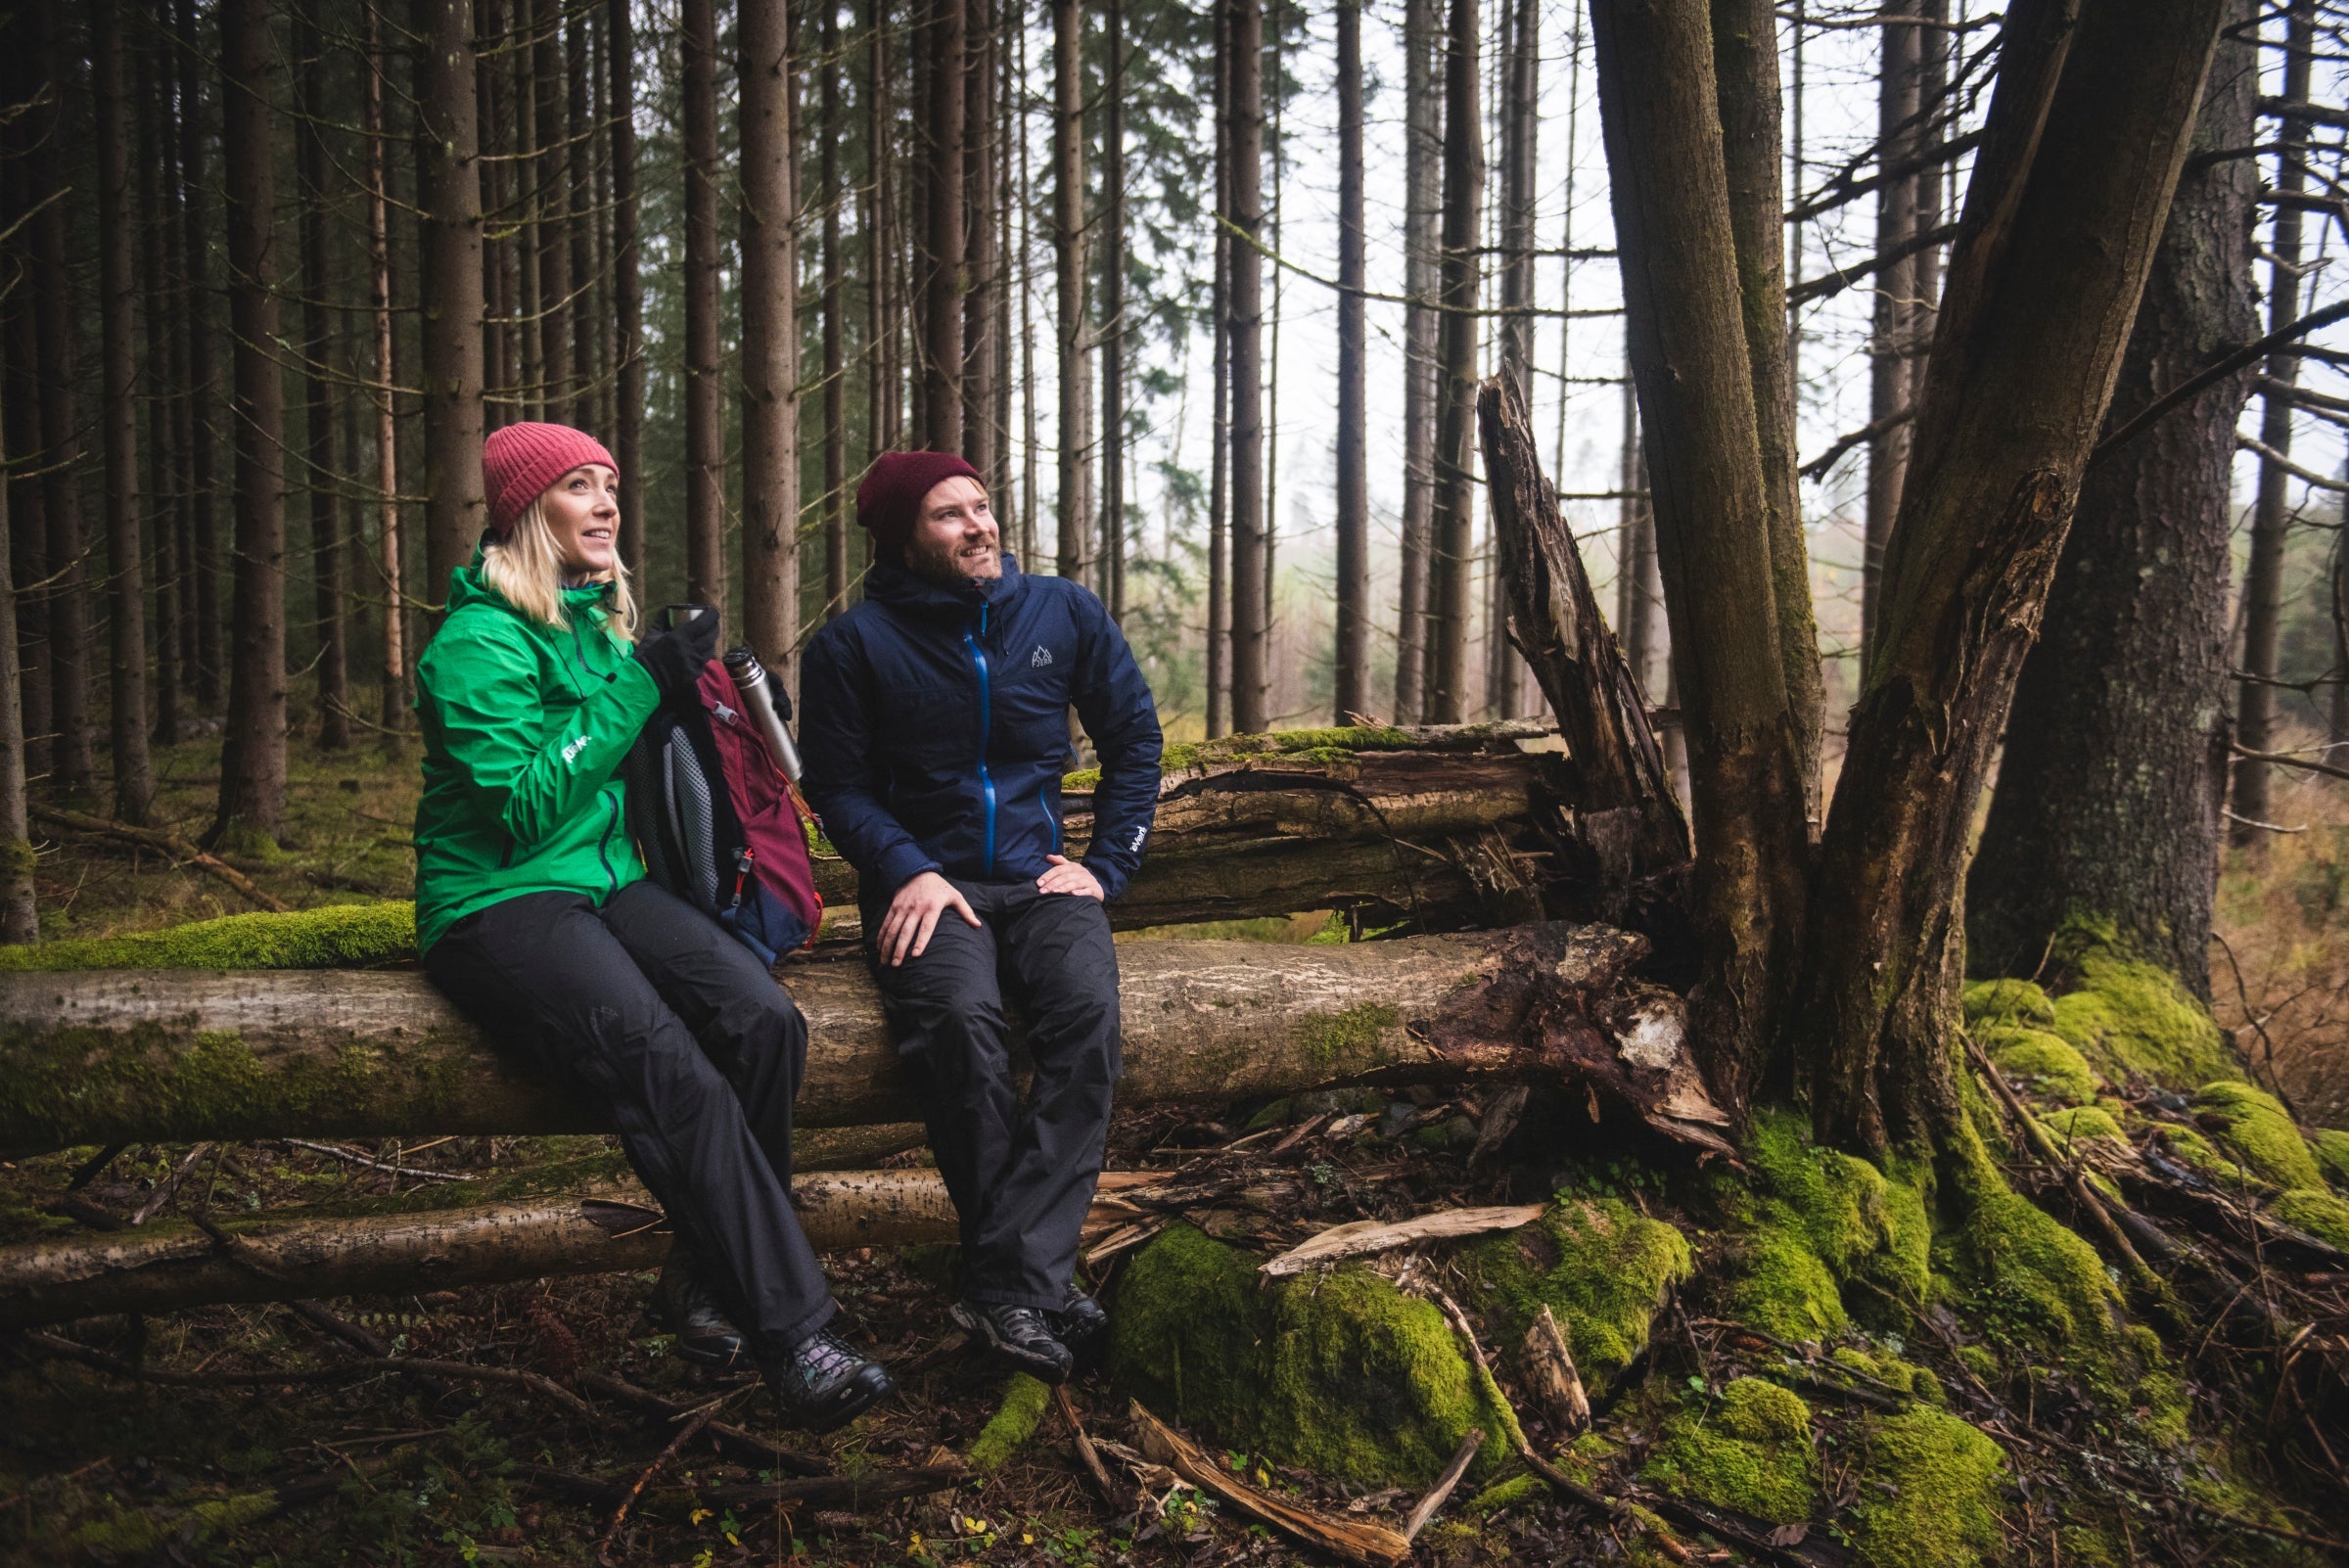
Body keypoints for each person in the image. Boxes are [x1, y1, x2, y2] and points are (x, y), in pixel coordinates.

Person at [412, 421, 893, 1431]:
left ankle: (700, 1284)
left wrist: (718, 700)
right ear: (524, 512)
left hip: (607, 882)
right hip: (500, 900)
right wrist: (642, 684)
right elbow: (524, 805)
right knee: (671, 1072)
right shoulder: (475, 643)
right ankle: (794, 1334)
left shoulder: (595, 627)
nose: (605, 504)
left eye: (611, 487)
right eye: (578, 487)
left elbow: (647, 759)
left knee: (764, 1023)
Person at [799, 450, 1163, 1384]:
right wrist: (909, 869)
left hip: (1042, 880)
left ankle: (1007, 1280)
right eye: (948, 515)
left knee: (1085, 1020)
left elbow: (1133, 739)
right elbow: (837, 789)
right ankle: (1031, 1282)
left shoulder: (1063, 612)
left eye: (983, 506)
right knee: (958, 1028)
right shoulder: (852, 647)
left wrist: (1106, 866)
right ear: (900, 539)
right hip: (929, 889)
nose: (979, 526)